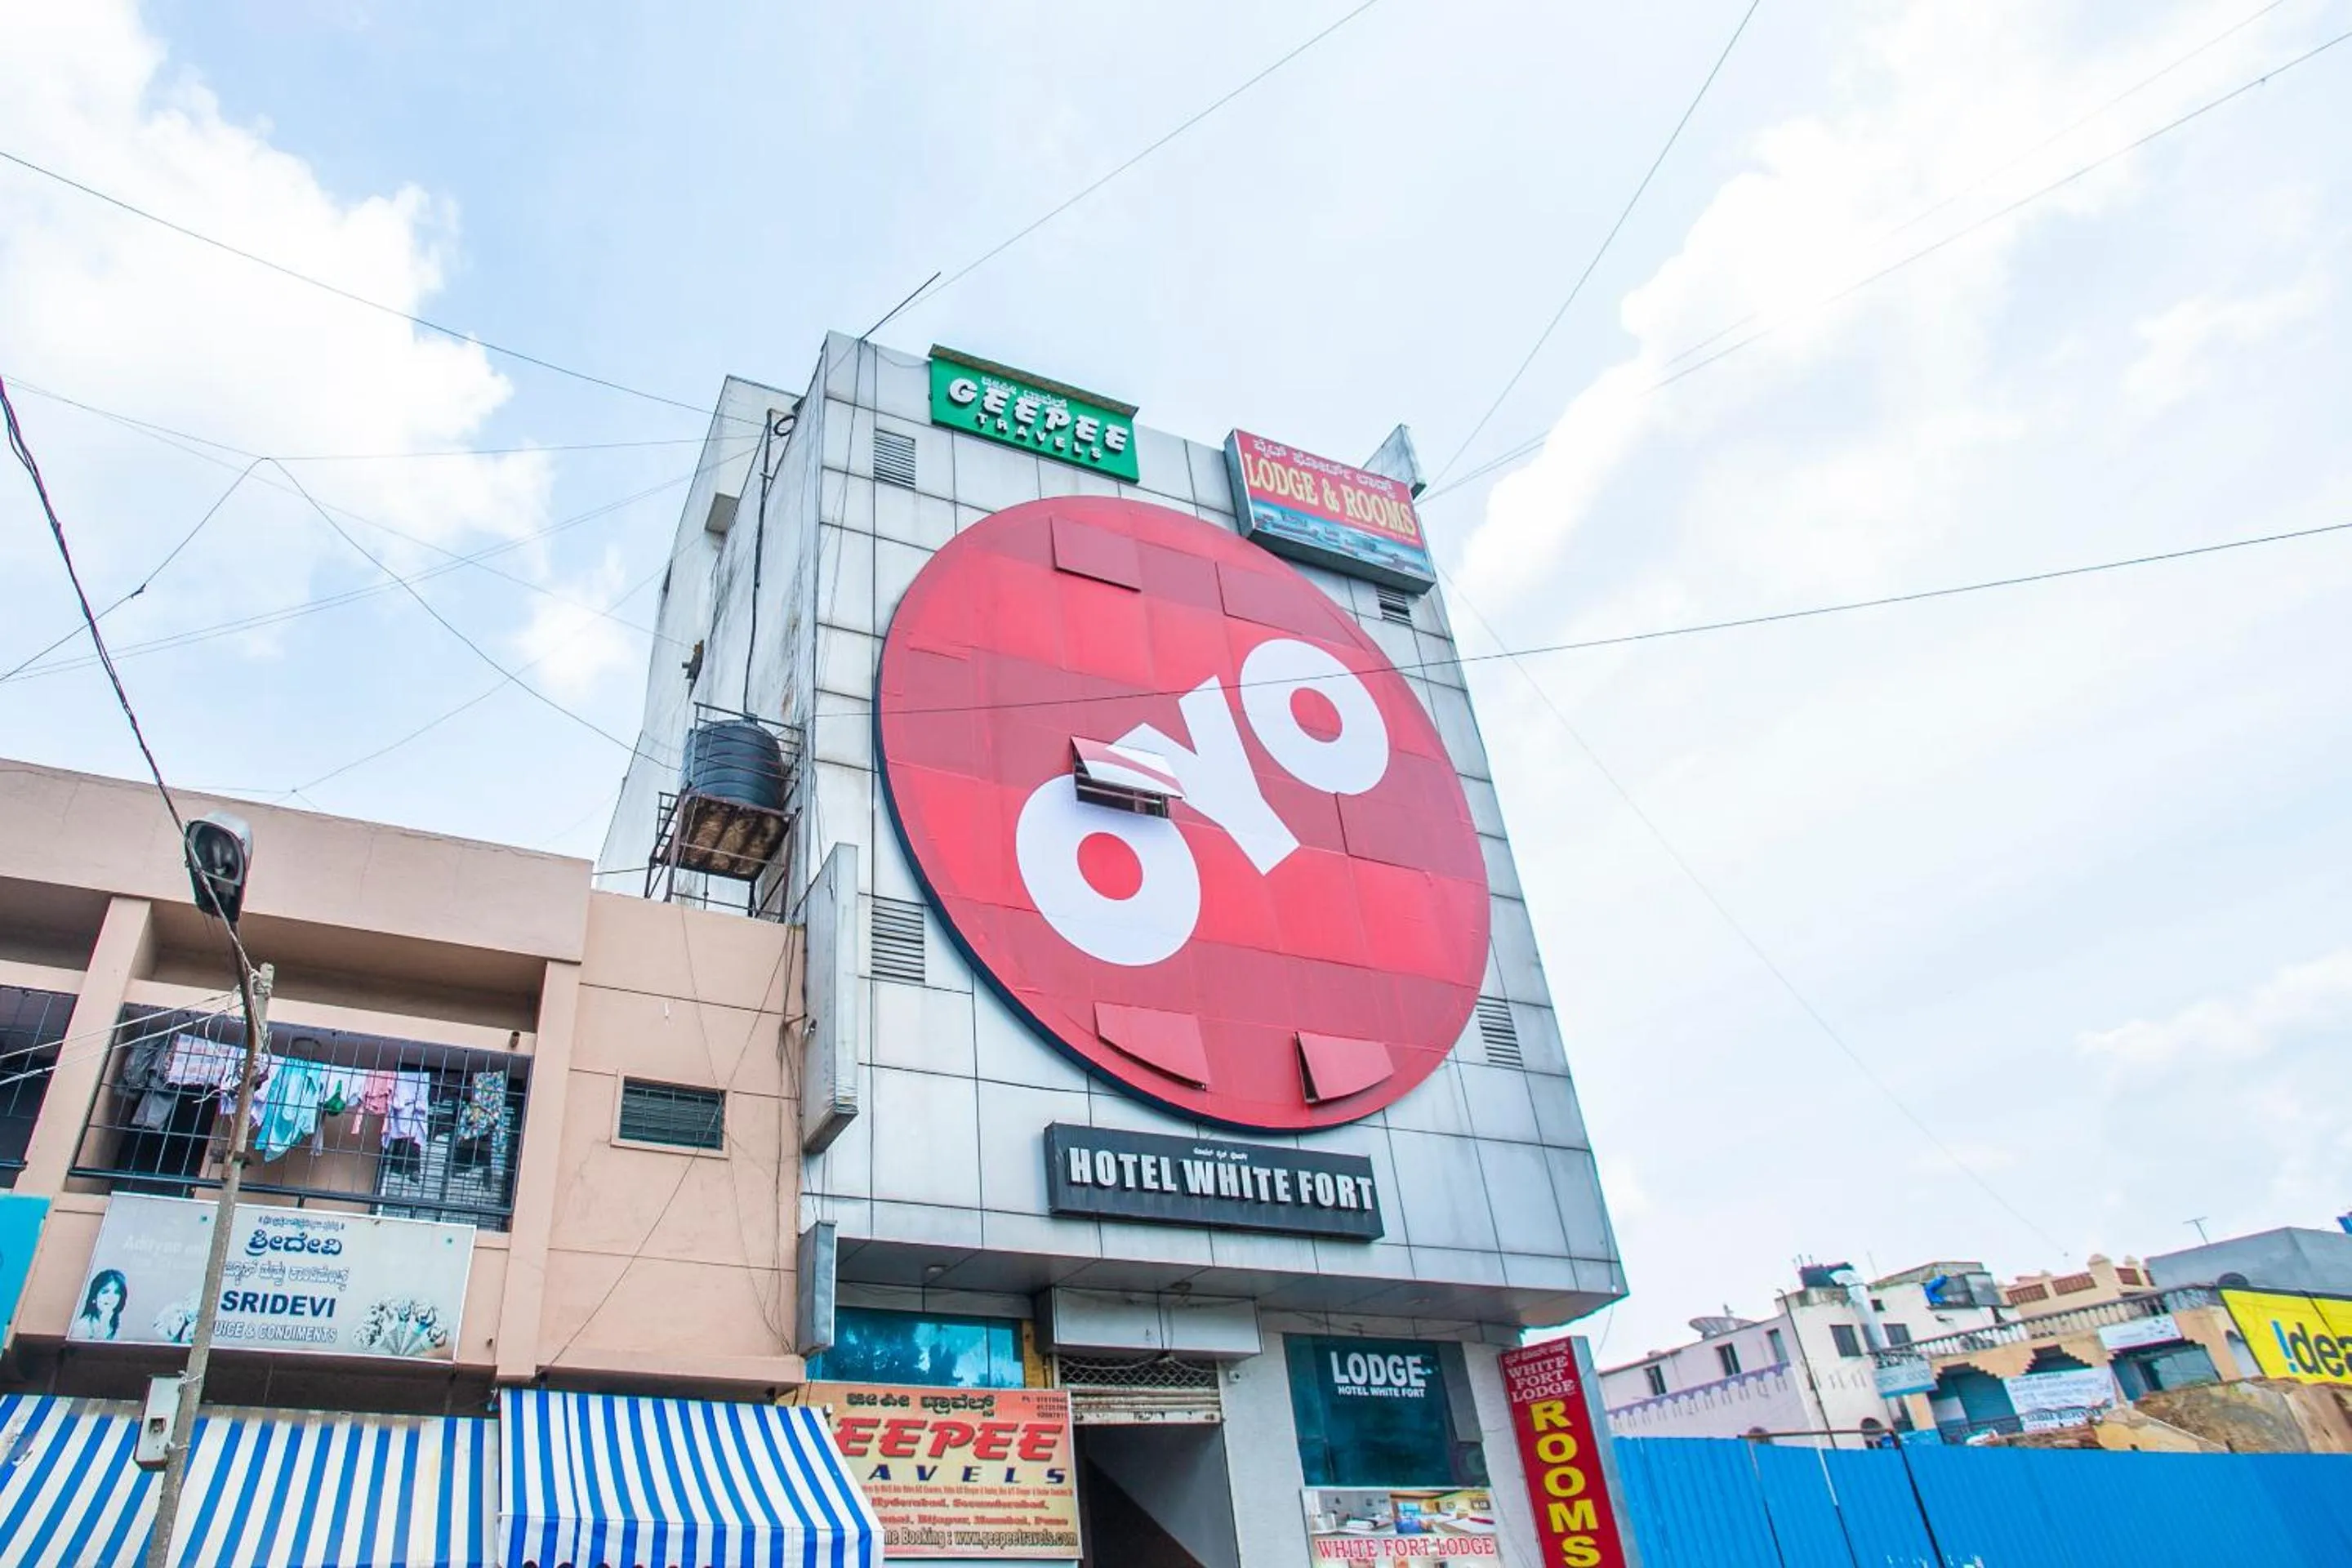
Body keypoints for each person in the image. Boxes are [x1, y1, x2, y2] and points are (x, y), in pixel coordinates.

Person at [70, 1269, 127, 1341]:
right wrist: (104, 1323)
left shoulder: (114, 1325)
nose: (111, 1297)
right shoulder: (82, 1326)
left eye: (116, 1292)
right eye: (105, 1292)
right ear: (94, 1296)